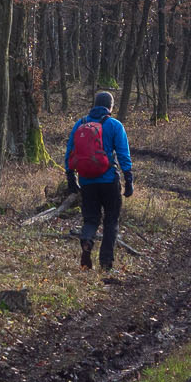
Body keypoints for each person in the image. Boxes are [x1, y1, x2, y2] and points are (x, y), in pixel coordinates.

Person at [64, 91, 133, 277]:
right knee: (111, 221)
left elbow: (70, 151)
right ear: (110, 107)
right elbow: (123, 154)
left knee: (91, 219)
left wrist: (71, 177)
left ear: (94, 104)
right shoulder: (115, 125)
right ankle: (106, 264)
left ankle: (87, 240)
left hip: (86, 181)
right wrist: (129, 179)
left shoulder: (80, 123)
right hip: (109, 180)